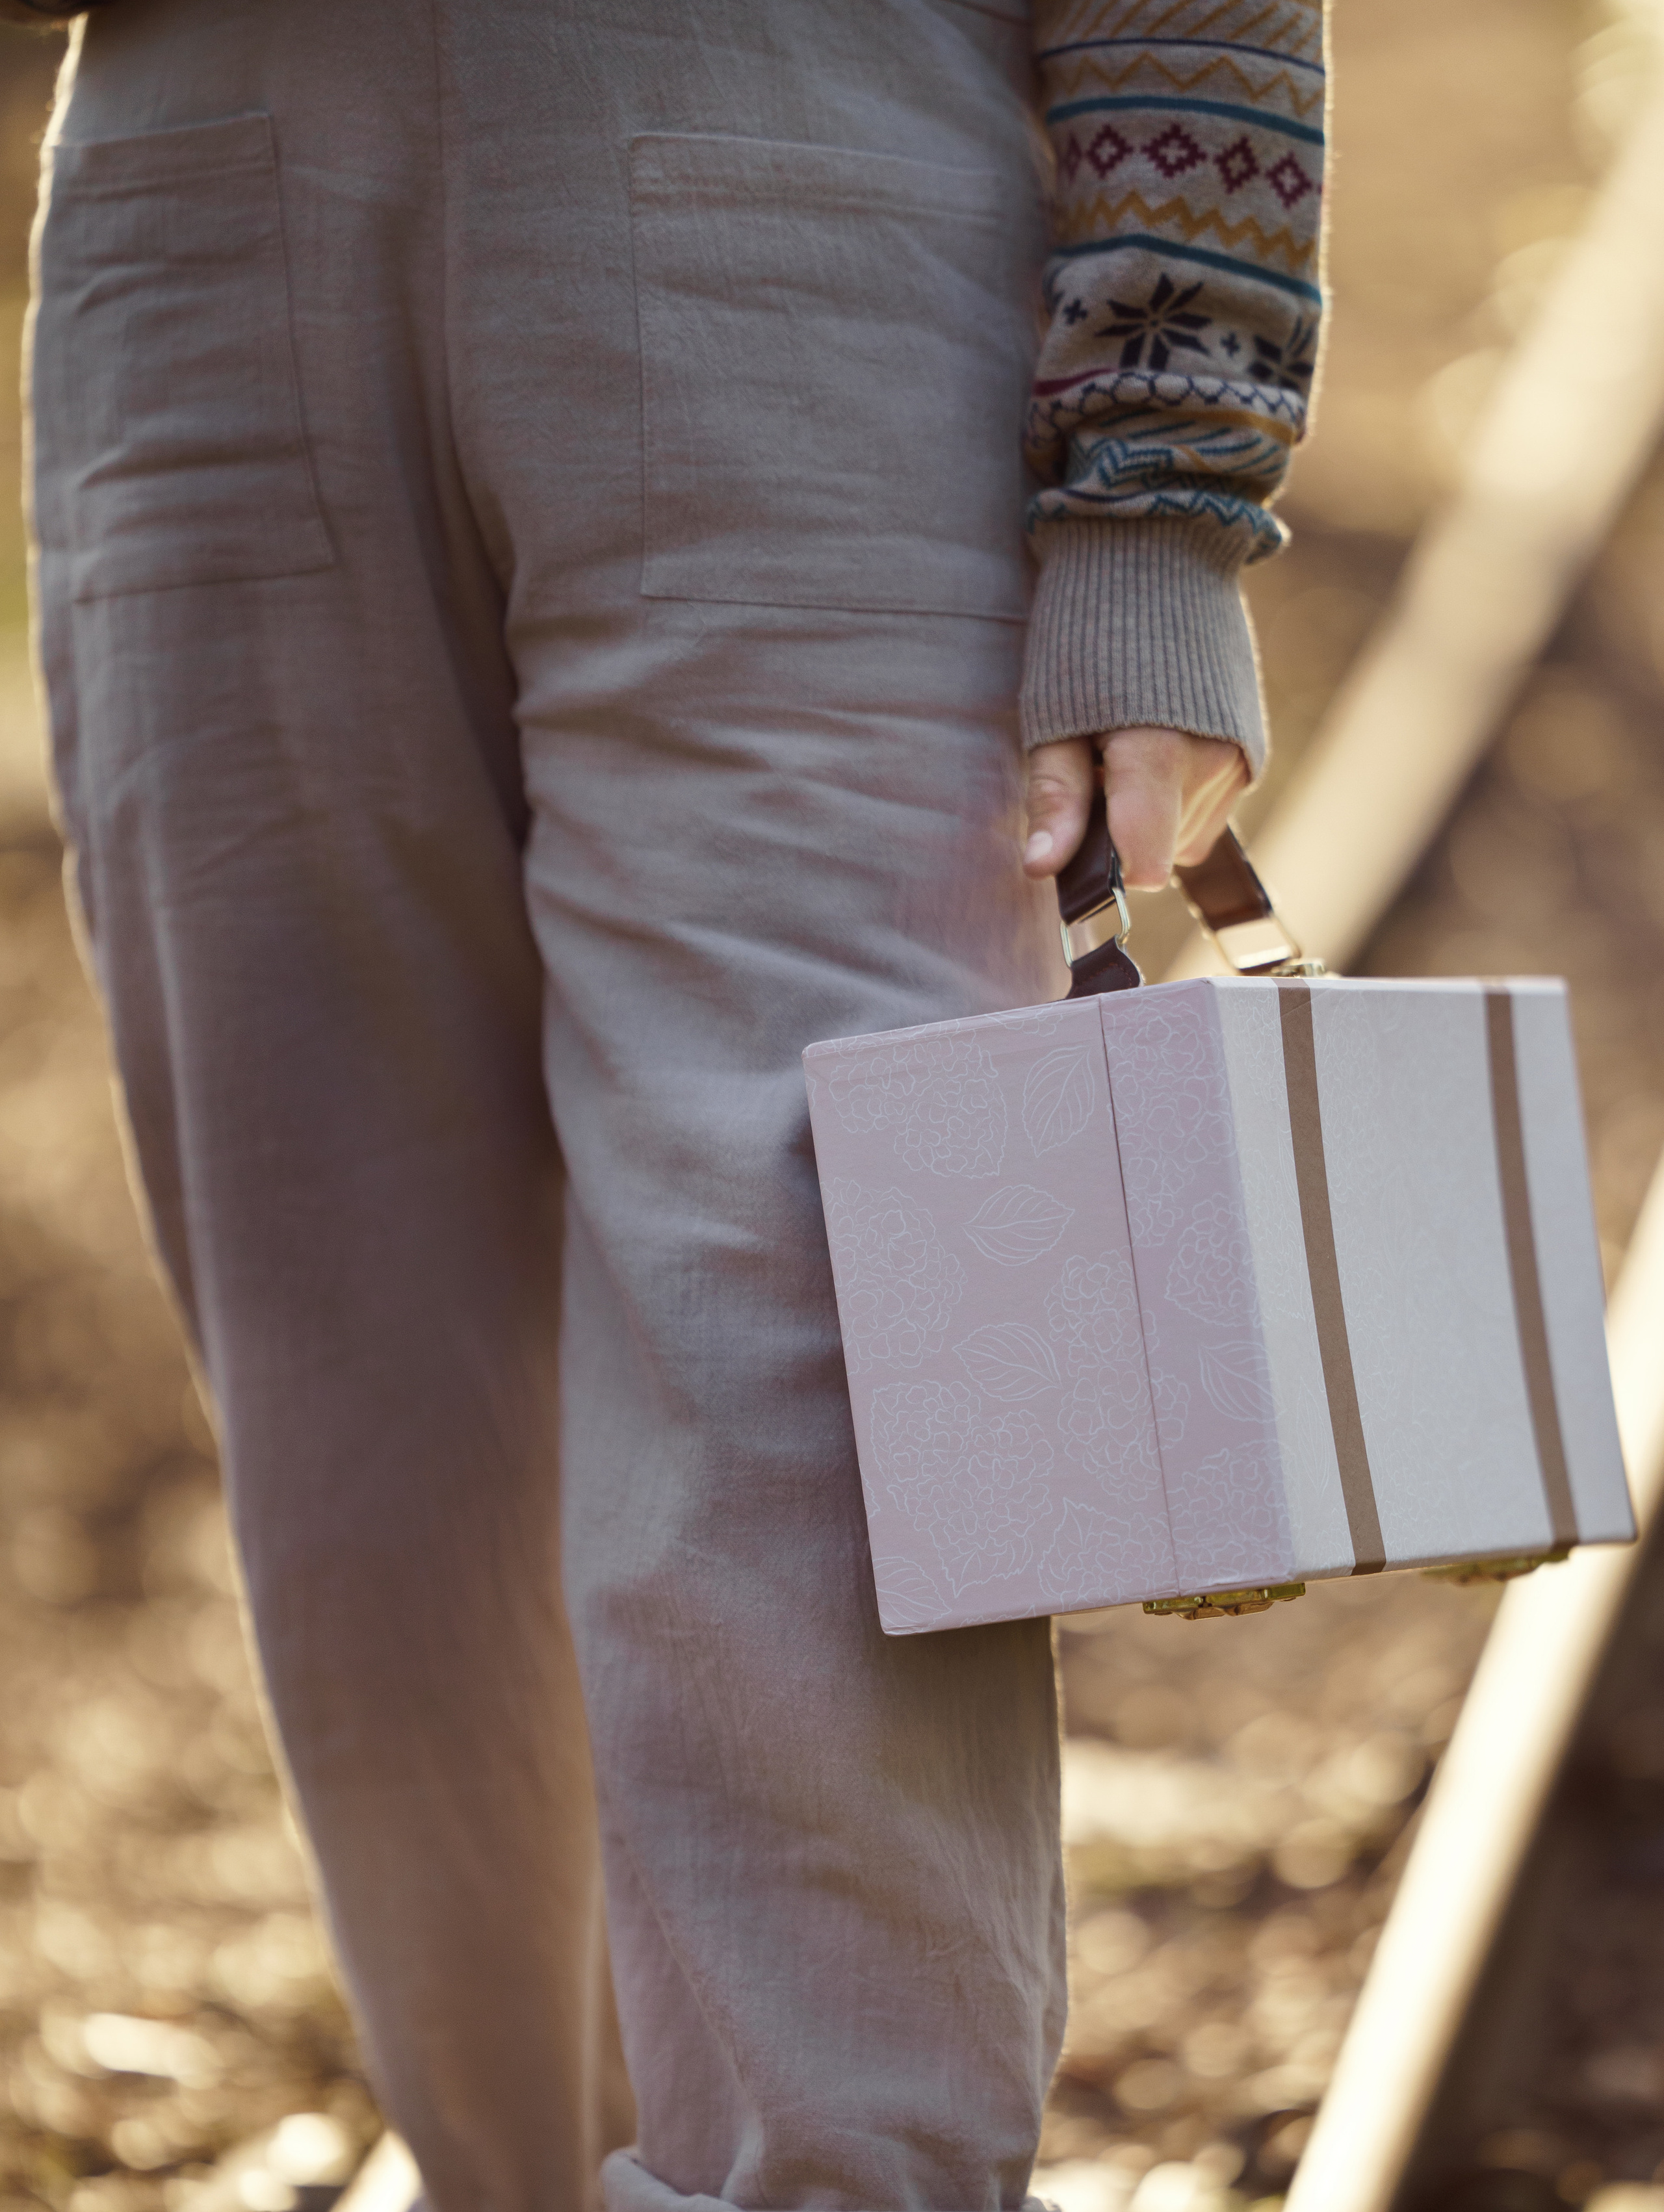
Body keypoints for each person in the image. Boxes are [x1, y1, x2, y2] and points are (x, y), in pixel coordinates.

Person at [17, 0, 1325, 2204]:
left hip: (787, 172)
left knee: (829, 1302)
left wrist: (1159, 508)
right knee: (356, 1369)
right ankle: (514, 2169)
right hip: (197, 195)